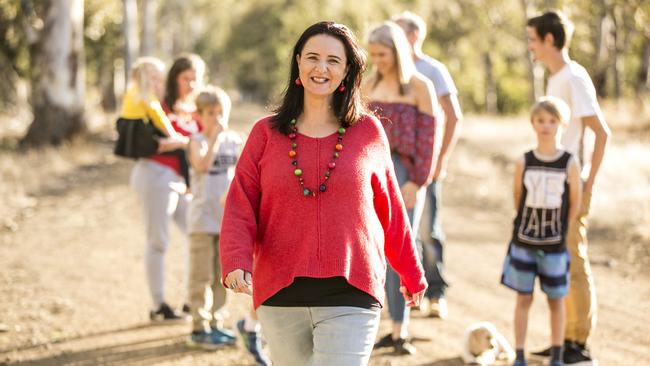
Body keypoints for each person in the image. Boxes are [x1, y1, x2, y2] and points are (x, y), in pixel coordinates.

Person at [220, 21, 426, 366]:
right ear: (298, 62)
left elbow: (389, 207)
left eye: (334, 60)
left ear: (347, 72)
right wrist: (236, 260)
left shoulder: (367, 131)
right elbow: (240, 203)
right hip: (280, 294)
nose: (322, 67)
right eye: (313, 57)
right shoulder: (265, 133)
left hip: (353, 290)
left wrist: (411, 271)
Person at [526, 12, 611, 365]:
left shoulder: (573, 77)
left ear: (549, 40)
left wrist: (587, 181)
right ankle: (565, 338)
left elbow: (601, 130)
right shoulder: (557, 77)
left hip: (571, 184)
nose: (530, 45)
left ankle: (580, 345)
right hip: (550, 184)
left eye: (532, 39)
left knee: (574, 260)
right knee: (557, 260)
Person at [363, 21, 438, 355]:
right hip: (371, 172)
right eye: (373, 54)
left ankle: (400, 329)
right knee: (371, 247)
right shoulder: (367, 87)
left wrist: (418, 181)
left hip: (405, 172)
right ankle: (377, 323)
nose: (377, 60)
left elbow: (429, 140)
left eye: (383, 54)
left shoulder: (420, 87)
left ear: (397, 51)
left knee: (401, 246)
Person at [393, 11, 464, 319]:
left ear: (413, 36)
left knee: (426, 230)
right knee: (396, 230)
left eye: (397, 33)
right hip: (395, 166)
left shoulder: (433, 71)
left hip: (426, 165)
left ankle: (436, 293)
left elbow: (454, 116)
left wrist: (440, 159)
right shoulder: (389, 71)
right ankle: (401, 297)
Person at [501, 96, 581, 366]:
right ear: (533, 124)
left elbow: (575, 202)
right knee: (523, 298)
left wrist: (561, 232)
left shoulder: (569, 162)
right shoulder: (525, 160)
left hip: (555, 245)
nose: (546, 126)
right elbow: (516, 196)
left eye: (552, 121)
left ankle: (557, 356)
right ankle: (520, 354)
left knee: (556, 301)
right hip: (524, 241)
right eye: (540, 121)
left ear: (563, 124)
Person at [131, 54, 204, 322]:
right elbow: (146, 141)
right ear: (175, 79)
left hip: (183, 184)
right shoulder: (159, 105)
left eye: (196, 78)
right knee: (158, 240)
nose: (192, 84)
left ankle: (190, 300)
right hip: (155, 175)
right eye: (186, 78)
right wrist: (182, 142)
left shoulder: (197, 110)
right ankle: (159, 306)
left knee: (197, 234)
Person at [185, 86, 240, 348]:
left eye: (220, 112)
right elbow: (202, 166)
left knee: (222, 275)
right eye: (210, 113)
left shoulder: (235, 140)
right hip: (202, 220)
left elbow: (242, 174)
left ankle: (217, 321)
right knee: (201, 275)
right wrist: (215, 139)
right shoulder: (197, 141)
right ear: (199, 115)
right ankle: (199, 326)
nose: (216, 118)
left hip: (225, 220)